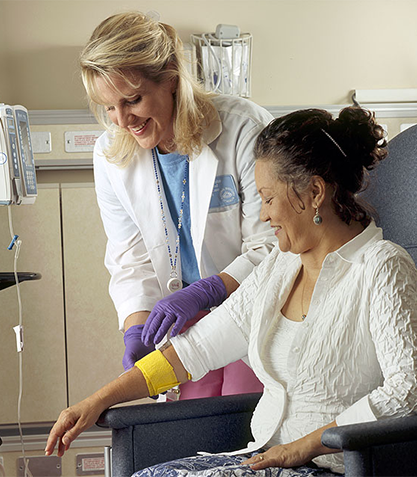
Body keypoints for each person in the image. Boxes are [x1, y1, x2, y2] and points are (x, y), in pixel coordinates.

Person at [46, 107, 417, 475]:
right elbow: (196, 349)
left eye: (268, 198)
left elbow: (415, 389)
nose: (264, 214)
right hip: (263, 458)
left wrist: (307, 446)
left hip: (332, 466)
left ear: (315, 192)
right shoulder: (281, 266)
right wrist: (98, 399)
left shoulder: (382, 266)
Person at [80, 11, 276, 398]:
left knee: (245, 417)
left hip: (254, 308)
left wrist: (204, 292)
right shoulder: (110, 156)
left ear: (170, 77)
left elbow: (272, 247)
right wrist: (136, 327)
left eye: (133, 100)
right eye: (109, 107)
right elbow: (129, 256)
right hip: (184, 325)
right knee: (193, 427)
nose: (122, 120)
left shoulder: (243, 129)